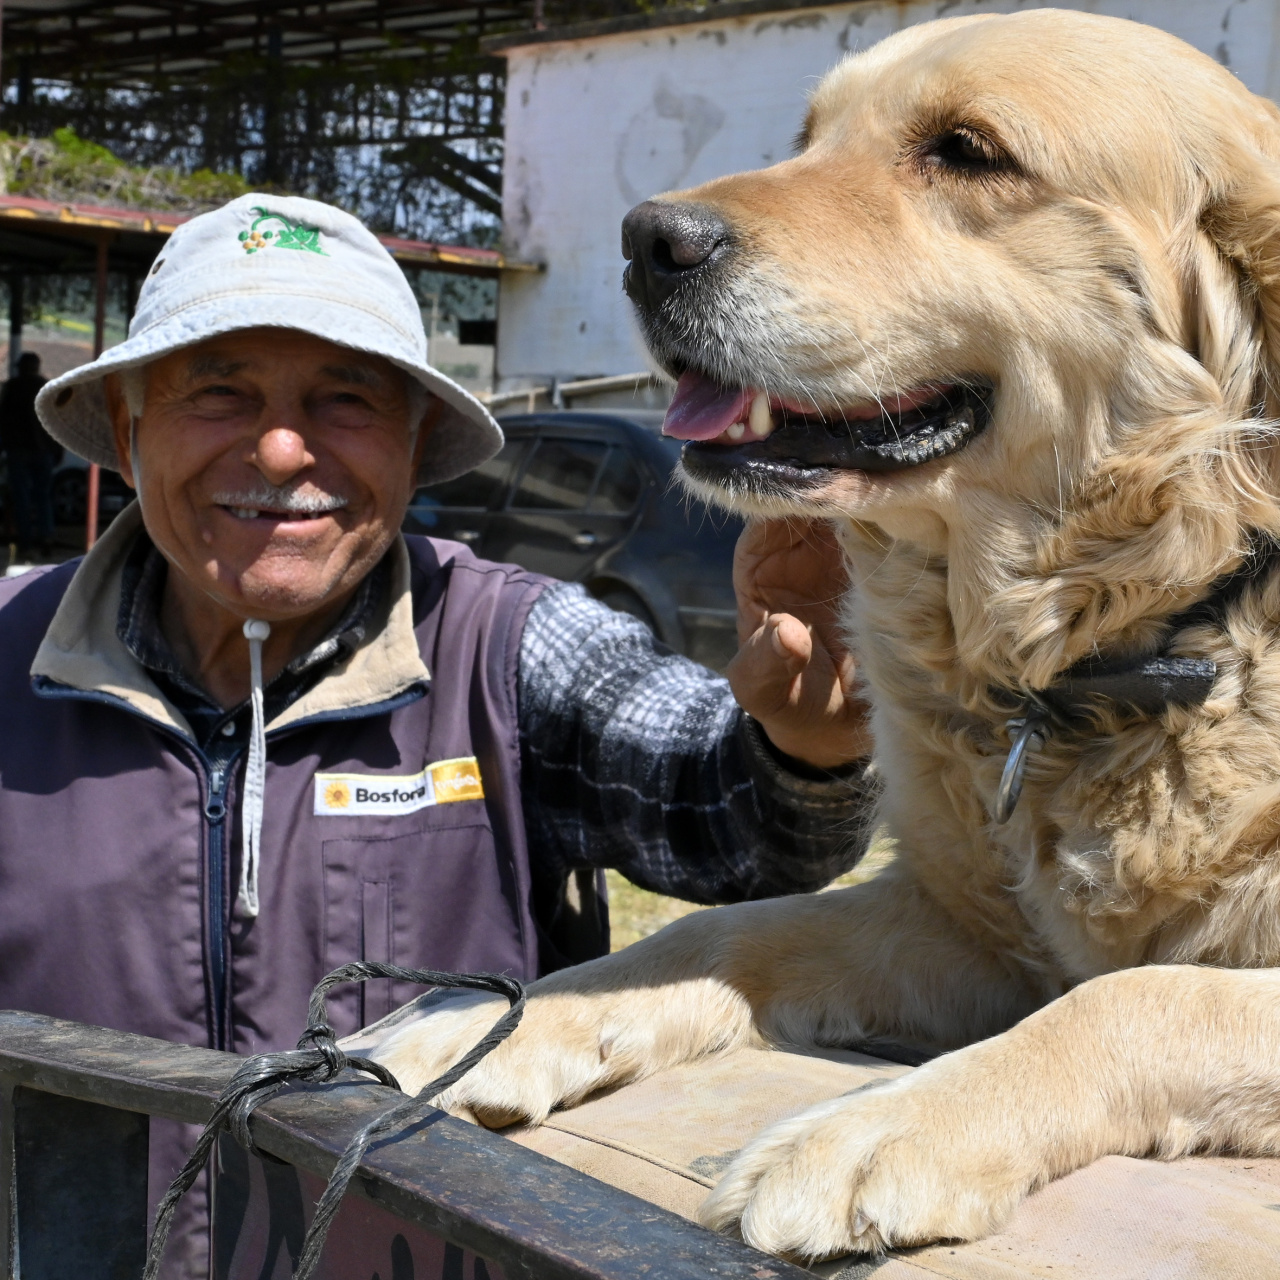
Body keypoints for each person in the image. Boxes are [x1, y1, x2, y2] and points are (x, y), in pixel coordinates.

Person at [0, 195, 873, 1278]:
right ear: (129, 432)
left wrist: (802, 742)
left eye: (344, 398)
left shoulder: (507, 643)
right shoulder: (6, 649)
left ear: (415, 444)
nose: (280, 448)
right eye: (218, 391)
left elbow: (722, 808)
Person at [0, 350, 57, 558]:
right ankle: (46, 537)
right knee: (43, 497)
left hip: (18, 451)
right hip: (43, 451)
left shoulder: (13, 388)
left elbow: (3, 420)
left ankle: (25, 543)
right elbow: (56, 423)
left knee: (22, 497)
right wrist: (56, 450)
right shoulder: (47, 387)